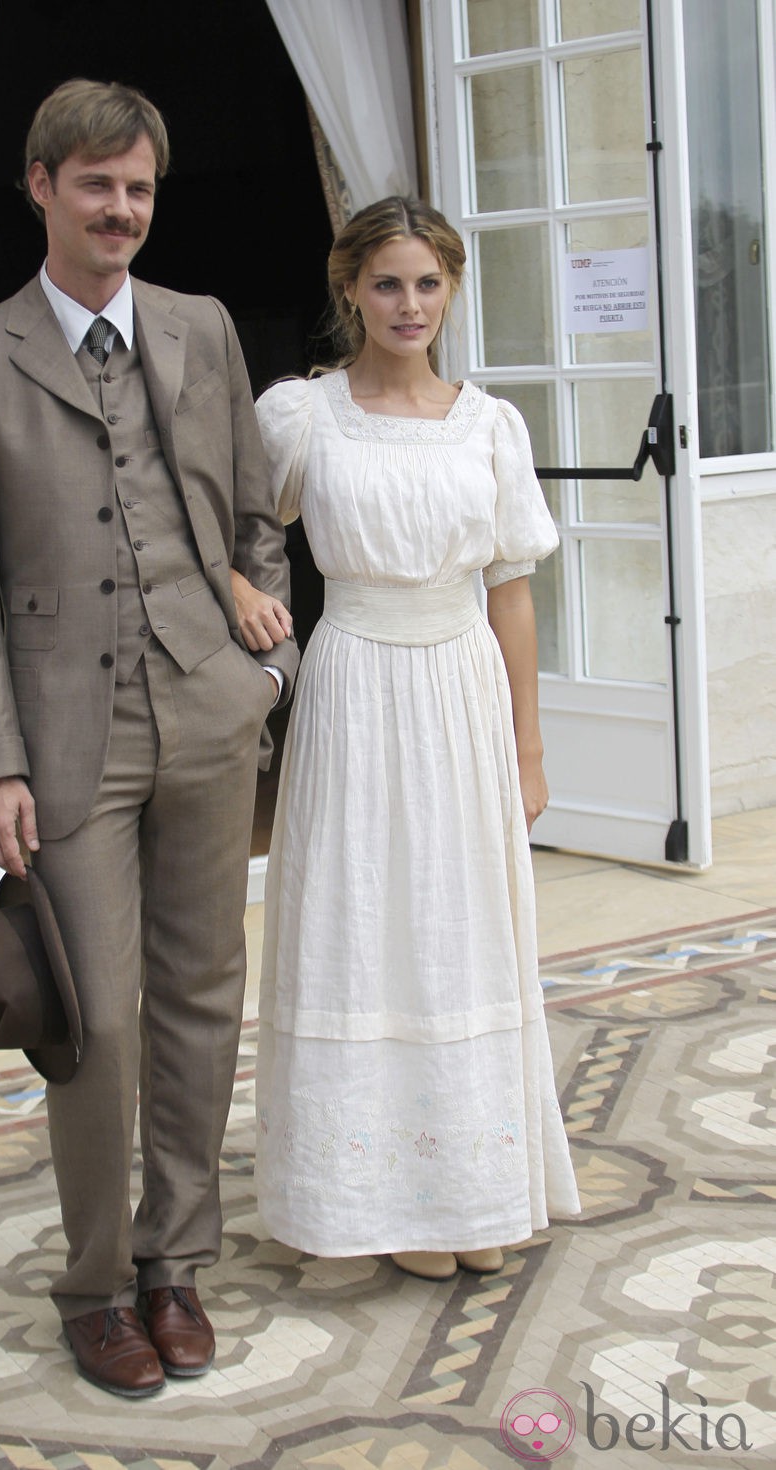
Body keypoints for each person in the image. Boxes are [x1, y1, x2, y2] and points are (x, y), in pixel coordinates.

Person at [0, 78, 298, 1397]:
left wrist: (268, 651)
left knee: (203, 996)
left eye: (138, 188)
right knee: (91, 1021)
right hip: (67, 736)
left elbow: (260, 512)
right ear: (41, 186)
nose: (121, 210)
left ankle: (173, 1259)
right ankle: (93, 1283)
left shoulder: (201, 328)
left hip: (208, 705)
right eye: (97, 186)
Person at [233, 196, 579, 1280]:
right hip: (350, 690)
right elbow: (215, 522)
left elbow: (510, 592)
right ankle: (379, 1201)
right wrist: (238, 592)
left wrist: (526, 748)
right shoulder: (301, 417)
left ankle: (469, 1193)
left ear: (451, 291)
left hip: (459, 690)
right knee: (361, 923)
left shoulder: (490, 424)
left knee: (457, 928)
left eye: (428, 283)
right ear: (349, 288)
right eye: (387, 282)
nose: (408, 304)